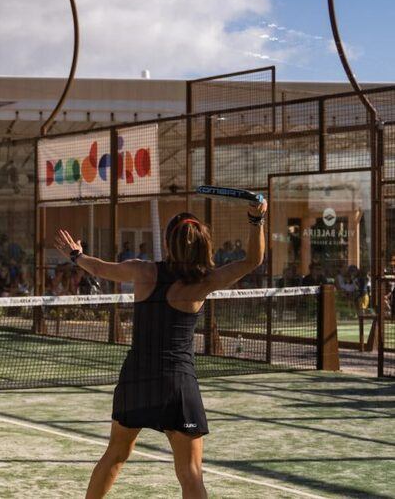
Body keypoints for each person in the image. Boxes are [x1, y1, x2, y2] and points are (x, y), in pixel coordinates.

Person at [54, 199, 267, 498]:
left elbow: (100, 268)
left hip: (136, 381)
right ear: (201, 245)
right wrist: (257, 220)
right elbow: (252, 261)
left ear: (167, 243)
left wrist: (77, 255)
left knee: (115, 454)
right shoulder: (204, 282)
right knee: (191, 474)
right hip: (176, 385)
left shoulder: (143, 272)